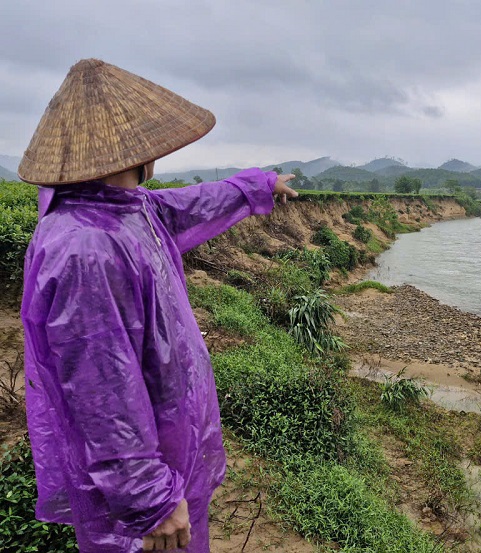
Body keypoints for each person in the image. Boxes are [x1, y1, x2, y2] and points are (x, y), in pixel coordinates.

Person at [16, 58, 297, 552]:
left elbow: (189, 204)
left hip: (168, 447)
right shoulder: (84, 247)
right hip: (145, 487)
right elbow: (98, 387)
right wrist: (149, 498)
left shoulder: (128, 209)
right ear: (138, 151)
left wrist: (256, 185)